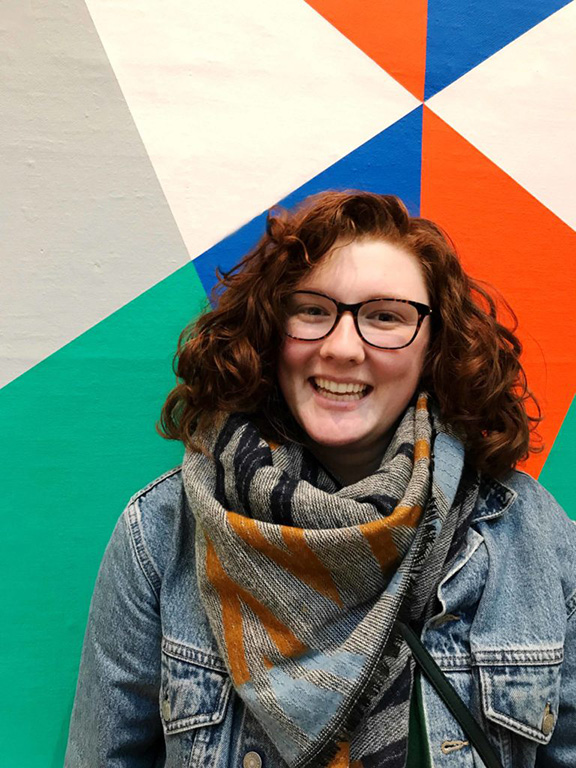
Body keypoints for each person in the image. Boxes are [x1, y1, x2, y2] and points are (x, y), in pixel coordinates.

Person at [65, 191, 576, 768]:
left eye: (386, 317)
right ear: (269, 329)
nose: (341, 347)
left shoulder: (537, 540)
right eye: (312, 309)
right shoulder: (159, 534)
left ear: (435, 347)